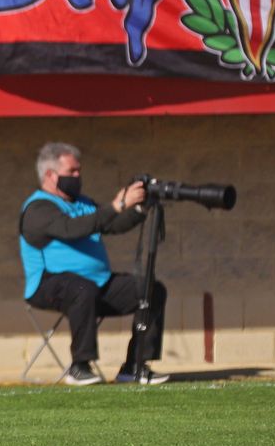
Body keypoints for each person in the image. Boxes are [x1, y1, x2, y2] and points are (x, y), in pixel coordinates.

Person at [19, 142, 169, 386]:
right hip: (47, 285)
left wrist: (139, 207)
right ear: (50, 175)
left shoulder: (83, 203)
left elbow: (112, 224)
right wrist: (117, 204)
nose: (78, 177)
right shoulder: (38, 208)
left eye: (79, 171)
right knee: (81, 288)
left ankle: (135, 366)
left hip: (96, 285)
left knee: (151, 289)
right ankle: (80, 366)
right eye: (72, 172)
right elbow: (72, 229)